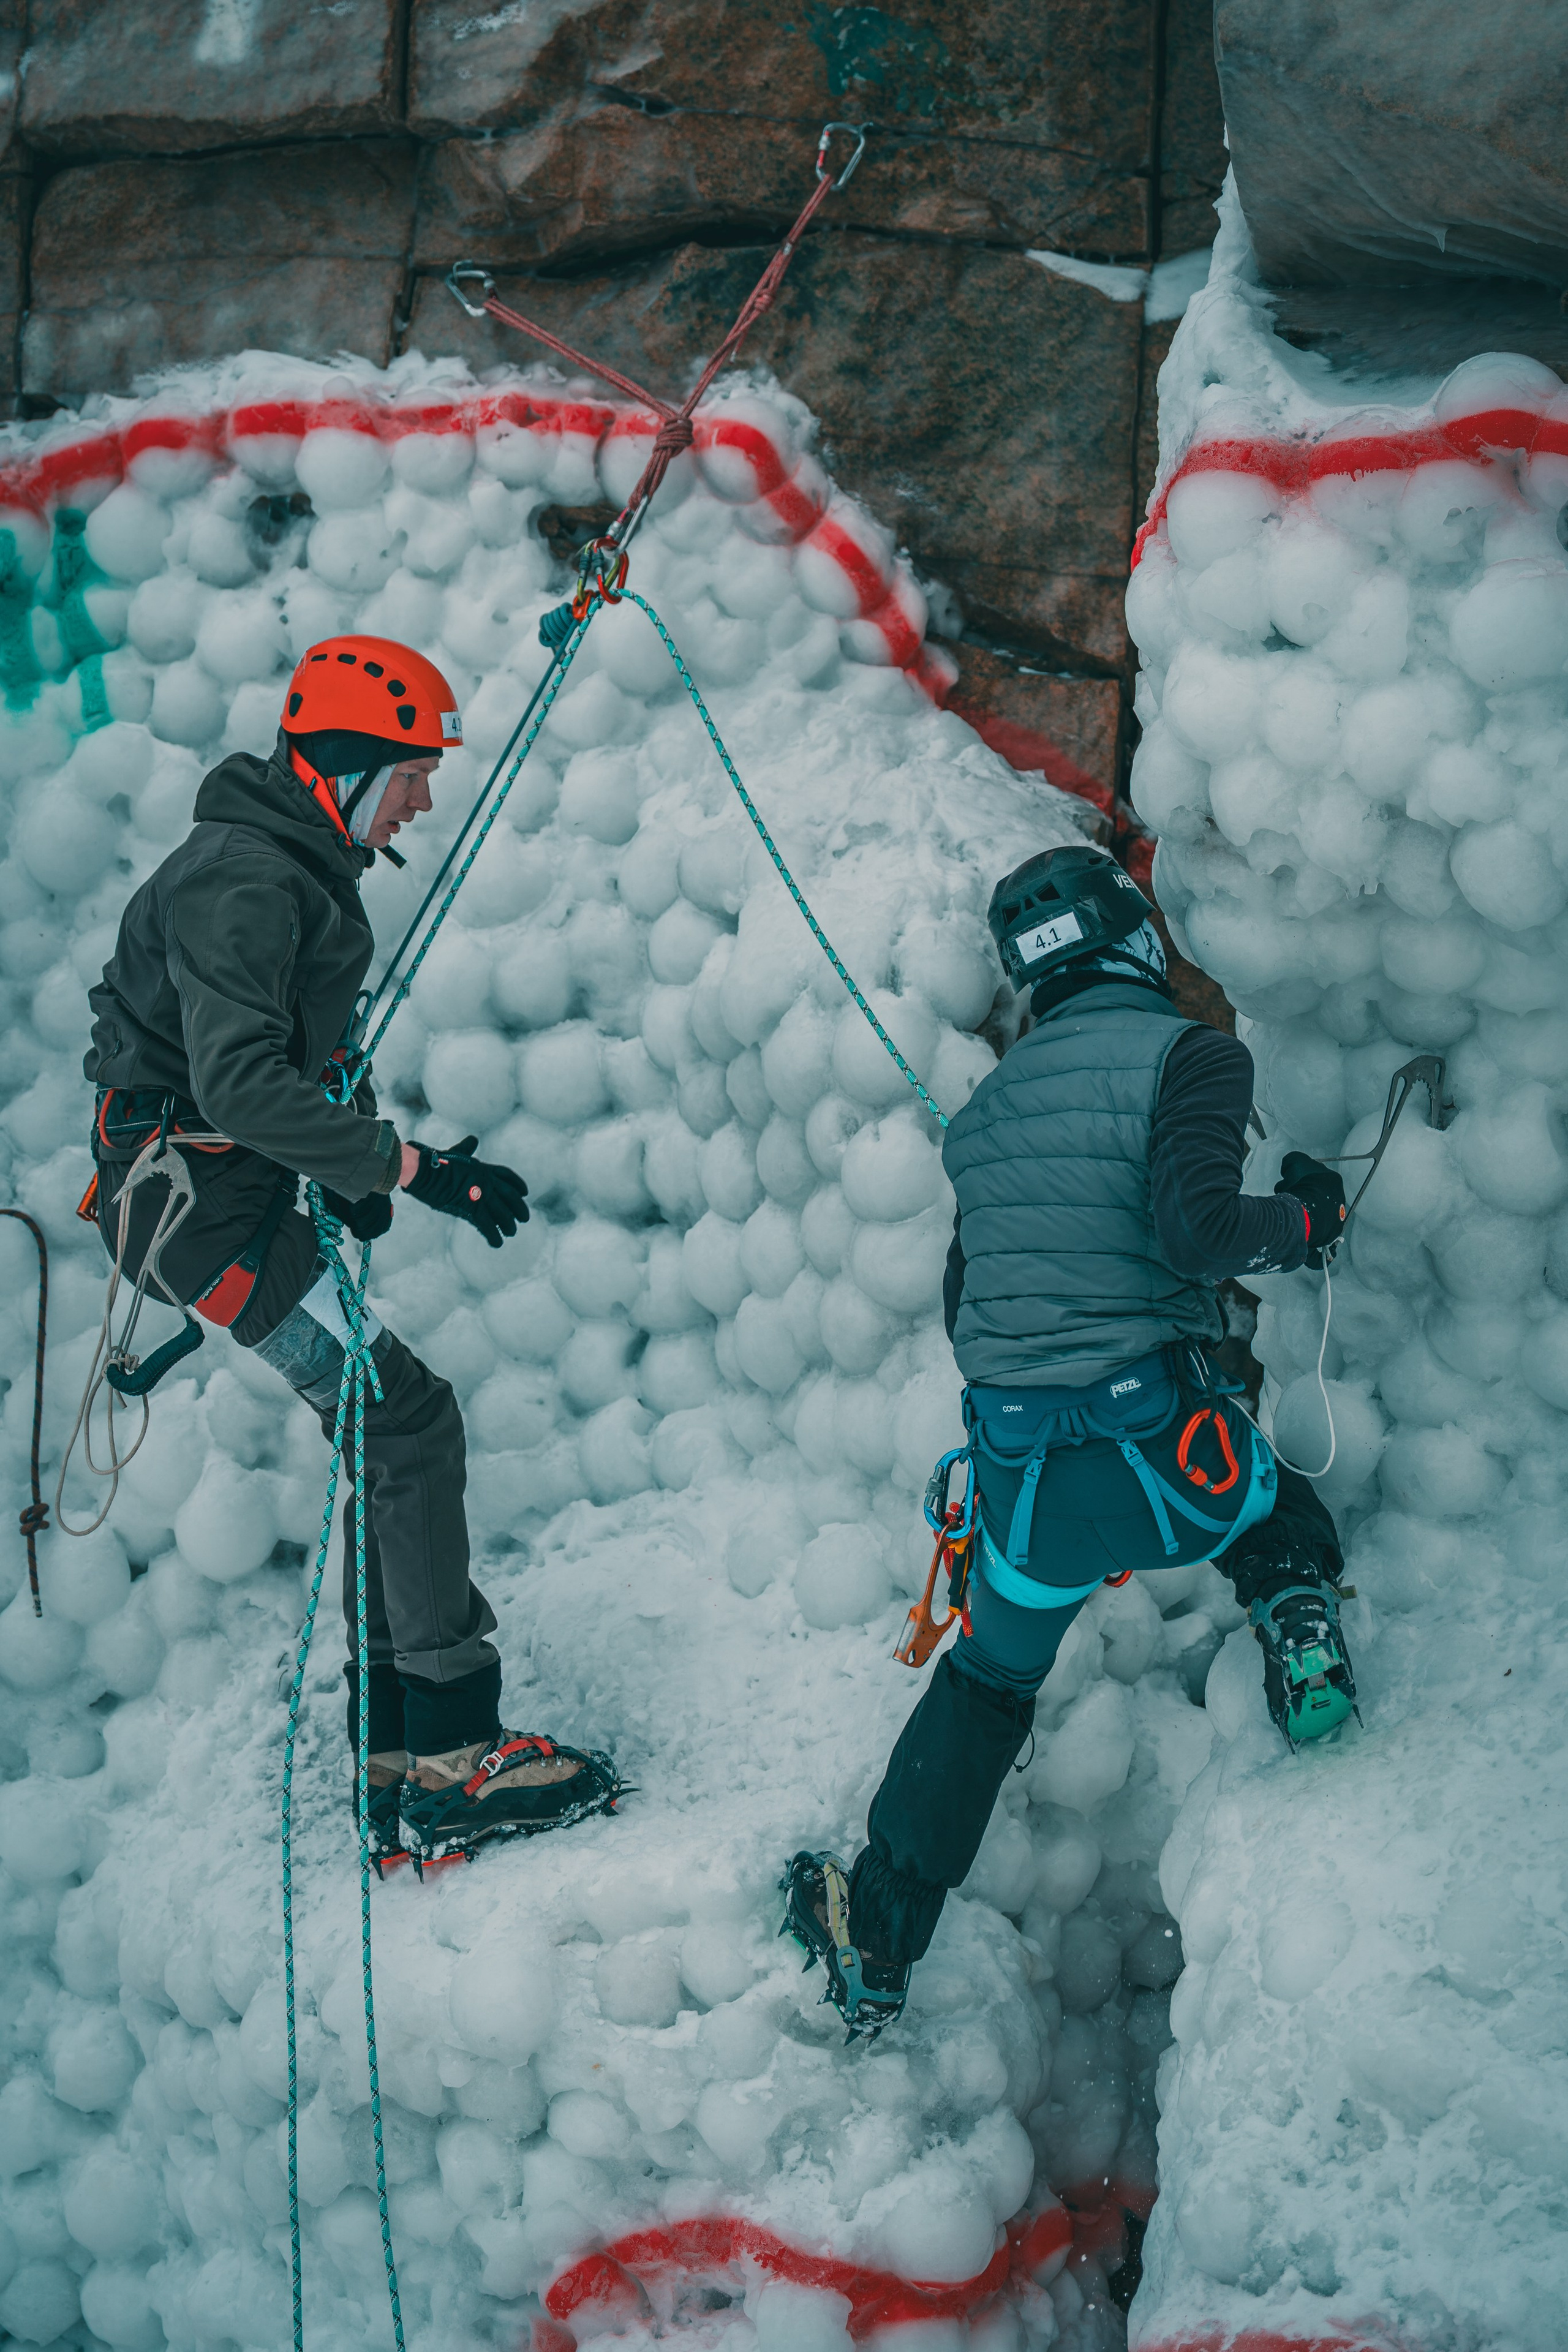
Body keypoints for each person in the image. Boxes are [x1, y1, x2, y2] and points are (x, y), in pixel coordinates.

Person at [785, 845, 1351, 2037]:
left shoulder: (983, 1114)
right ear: (1133, 939)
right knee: (1274, 1510)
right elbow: (1195, 1231)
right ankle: (1299, 1632)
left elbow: (964, 1307)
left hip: (1026, 1492)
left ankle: (877, 1941)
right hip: (1175, 1464)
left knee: (988, 1681)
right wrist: (1304, 1216)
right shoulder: (1189, 1053)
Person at [84, 635, 618, 1870]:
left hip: (233, 1190)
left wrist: (356, 1160)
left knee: (388, 1425)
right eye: (411, 771)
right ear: (341, 765)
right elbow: (240, 1082)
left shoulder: (289, 870)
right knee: (403, 1420)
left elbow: (286, 1058)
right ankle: (448, 1755)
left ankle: (396, 1751)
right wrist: (407, 1170)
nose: (424, 797)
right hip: (202, 1216)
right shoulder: (247, 883)